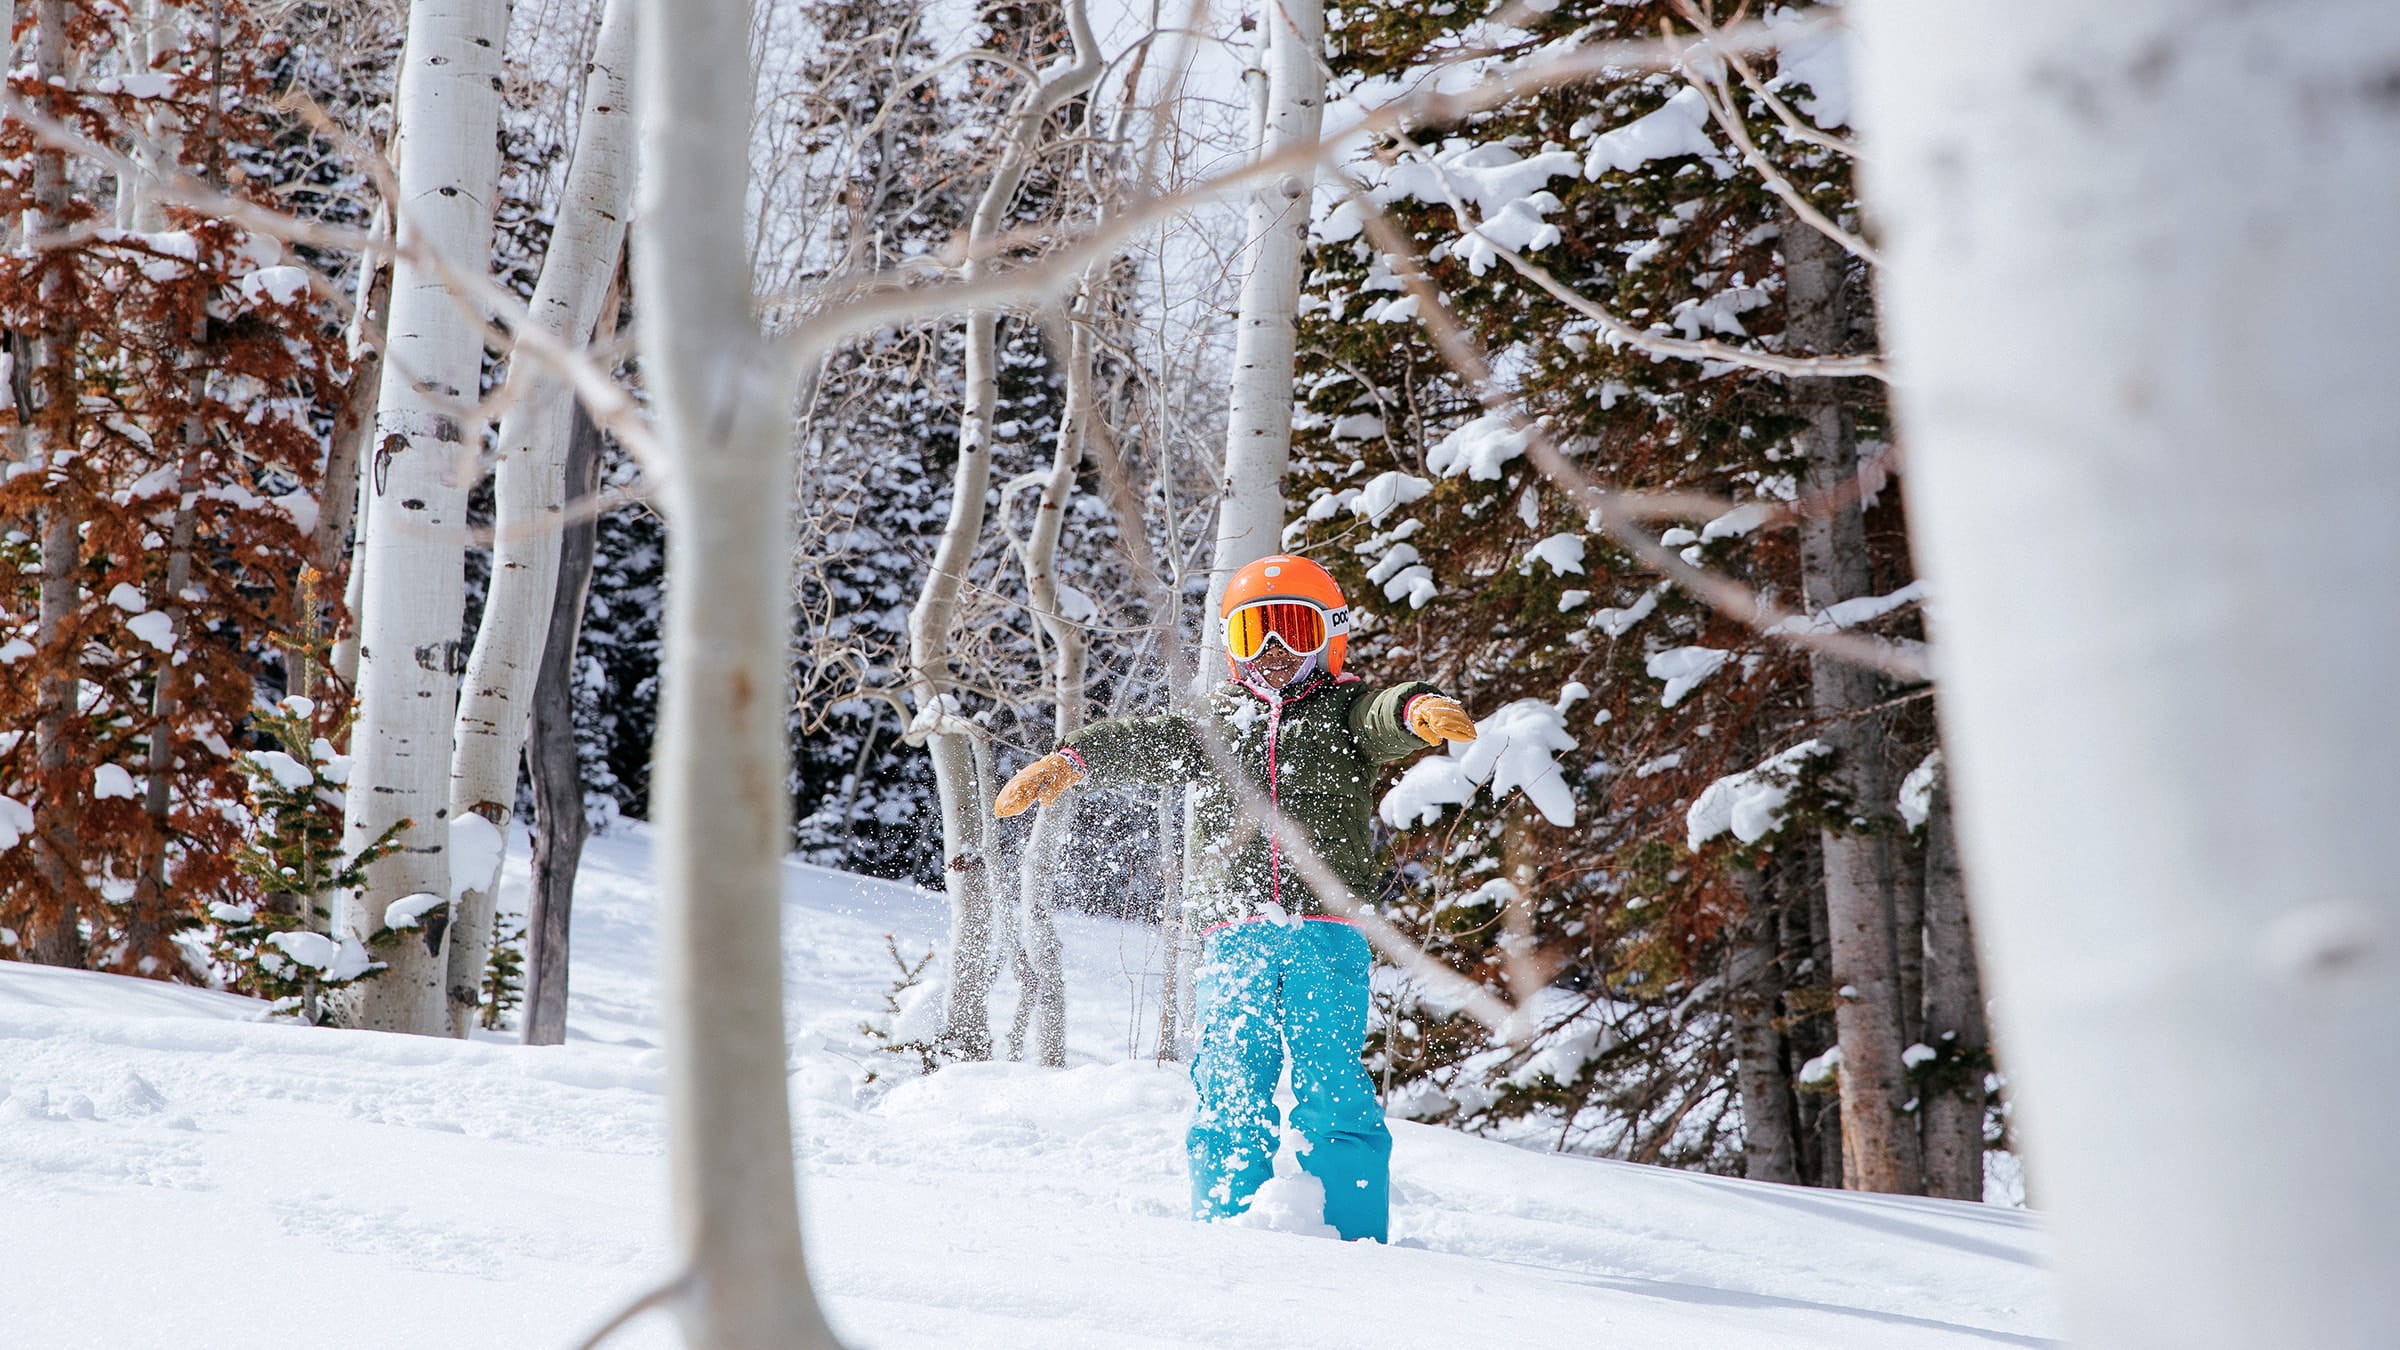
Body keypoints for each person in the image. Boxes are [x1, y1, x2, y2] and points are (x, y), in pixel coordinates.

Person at [993, 554, 1477, 1243]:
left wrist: (1418, 708)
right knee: (1228, 1080)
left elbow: (1383, 714)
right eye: (1256, 635)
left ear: (1328, 636)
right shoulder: (1216, 722)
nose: (1274, 652)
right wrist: (1071, 760)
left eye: (1292, 631)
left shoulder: (1344, 710)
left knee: (1331, 1082)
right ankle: (1226, 1229)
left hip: (1325, 927)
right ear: (1232, 646)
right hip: (1235, 930)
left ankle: (1356, 1234)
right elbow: (1146, 741)